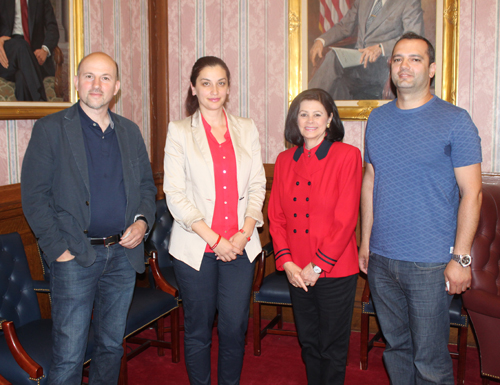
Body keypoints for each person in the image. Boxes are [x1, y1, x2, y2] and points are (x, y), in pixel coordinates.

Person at [21, 52, 156, 385]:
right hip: (75, 257)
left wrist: (141, 223)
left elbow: (145, 188)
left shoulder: (130, 131)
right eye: (90, 76)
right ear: (77, 82)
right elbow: (34, 196)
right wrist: (58, 251)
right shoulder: (50, 129)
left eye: (106, 77)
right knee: (69, 355)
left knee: (111, 346)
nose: (97, 85)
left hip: (122, 257)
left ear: (117, 87)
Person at [359, 32, 482, 384]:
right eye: (398, 59)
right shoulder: (377, 120)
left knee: (430, 361)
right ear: (390, 67)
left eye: (415, 59)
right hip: (382, 261)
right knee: (396, 349)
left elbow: (471, 193)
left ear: (431, 69)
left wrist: (461, 259)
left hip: (431, 264)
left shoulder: (455, 120)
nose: (405, 66)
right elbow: (370, 180)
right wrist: (366, 242)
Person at [163, 56, 266, 385]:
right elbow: (175, 194)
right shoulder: (179, 131)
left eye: (221, 82)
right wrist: (215, 240)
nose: (214, 90)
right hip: (197, 248)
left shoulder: (246, 127)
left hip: (240, 248)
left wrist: (244, 233)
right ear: (193, 87)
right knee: (198, 329)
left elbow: (257, 185)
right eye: (206, 82)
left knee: (235, 328)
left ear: (229, 88)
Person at [268, 88, 362, 384]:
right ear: (295, 120)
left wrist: (317, 266)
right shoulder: (284, 160)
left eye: (317, 114)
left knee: (332, 346)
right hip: (297, 269)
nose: (310, 120)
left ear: (330, 118)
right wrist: (287, 263)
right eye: (303, 114)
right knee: (308, 341)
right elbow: (276, 217)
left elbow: (346, 220)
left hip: (333, 269)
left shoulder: (348, 156)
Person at [308, 0, 424, 100]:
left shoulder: (409, 2)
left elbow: (413, 37)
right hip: (358, 59)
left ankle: (310, 102)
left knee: (333, 58)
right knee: (334, 64)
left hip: (383, 63)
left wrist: (381, 47)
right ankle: (319, 107)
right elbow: (345, 26)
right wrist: (321, 41)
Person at [0, 0, 59, 101]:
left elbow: (52, 28)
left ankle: (33, 115)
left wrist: (45, 50)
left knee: (22, 79)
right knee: (21, 45)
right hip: (7, 55)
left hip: (34, 57)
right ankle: (42, 103)